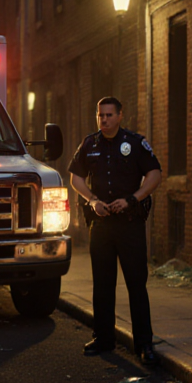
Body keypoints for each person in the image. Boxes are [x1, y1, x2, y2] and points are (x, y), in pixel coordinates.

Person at [68, 96, 164, 365]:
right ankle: (103, 338)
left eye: (109, 115)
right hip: (101, 225)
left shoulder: (135, 143)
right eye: (100, 115)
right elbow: (75, 178)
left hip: (129, 224)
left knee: (136, 284)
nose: (104, 120)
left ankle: (144, 344)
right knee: (102, 284)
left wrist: (133, 199)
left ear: (120, 116)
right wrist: (92, 201)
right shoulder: (90, 144)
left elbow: (155, 174)